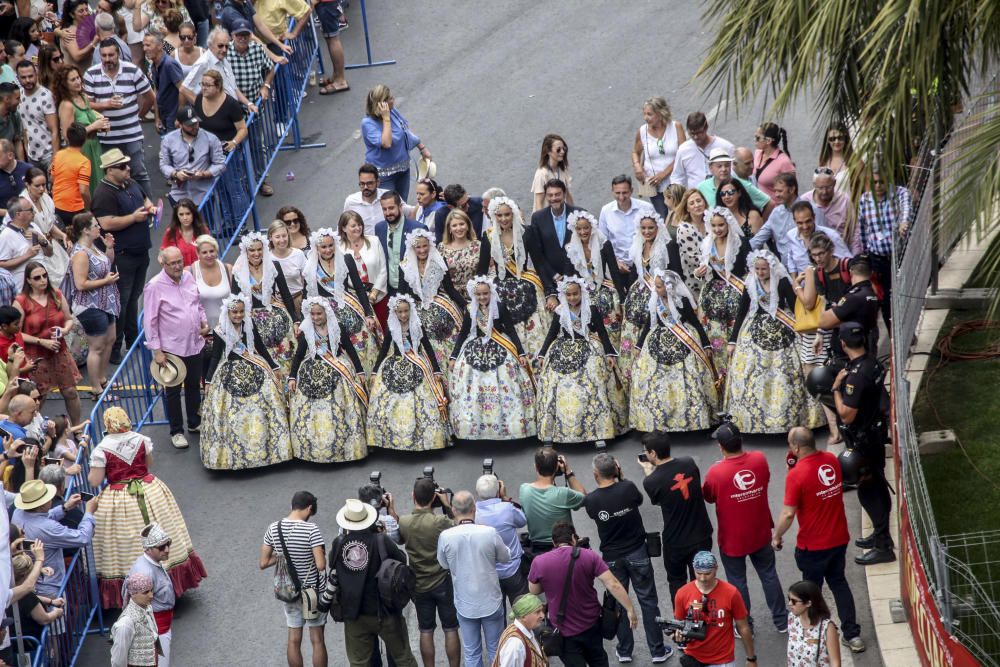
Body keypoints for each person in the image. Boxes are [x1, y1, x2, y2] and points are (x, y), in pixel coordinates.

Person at [88, 406, 205, 606]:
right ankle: (166, 580)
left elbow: (94, 481)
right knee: (163, 530)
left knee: (124, 542)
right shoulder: (141, 439)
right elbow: (148, 463)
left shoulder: (101, 449)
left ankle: (136, 589)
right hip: (150, 490)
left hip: (119, 497)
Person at [772, 427, 865, 653]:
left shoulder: (797, 475)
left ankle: (814, 638)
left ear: (796, 447)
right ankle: (852, 636)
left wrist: (777, 535)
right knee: (839, 583)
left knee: (810, 594)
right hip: (838, 538)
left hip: (812, 545)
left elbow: (788, 514)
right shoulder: (831, 460)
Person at [584, 452, 670, 663]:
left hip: (612, 558)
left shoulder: (592, 500)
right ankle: (657, 650)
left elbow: (592, 512)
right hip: (638, 552)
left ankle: (624, 650)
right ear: (616, 469)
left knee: (619, 602)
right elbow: (639, 500)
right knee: (648, 601)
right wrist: (621, 478)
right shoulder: (628, 487)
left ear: (596, 474)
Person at [702, 422, 787, 633]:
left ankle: (744, 624)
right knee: (769, 575)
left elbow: (709, 497)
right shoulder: (759, 459)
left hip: (732, 539)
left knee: (737, 582)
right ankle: (782, 621)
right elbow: (766, 479)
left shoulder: (716, 471)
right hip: (760, 532)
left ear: (721, 447)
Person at [725, 249, 817, 433]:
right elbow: (742, 311)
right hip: (753, 332)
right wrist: (733, 340)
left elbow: (794, 307)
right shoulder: (750, 282)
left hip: (783, 330)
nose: (760, 273)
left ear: (771, 267)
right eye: (757, 269)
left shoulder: (782, 281)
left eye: (764, 269)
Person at [201, 294, 293, 469]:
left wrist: (273, 367)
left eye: (241, 311)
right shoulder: (220, 331)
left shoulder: (249, 326)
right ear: (228, 313)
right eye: (234, 312)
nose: (238, 315)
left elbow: (261, 349)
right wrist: (208, 380)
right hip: (229, 371)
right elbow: (215, 357)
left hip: (254, 367)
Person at [528, 521, 638, 667]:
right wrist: (630, 609)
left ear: (554, 542)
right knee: (598, 660)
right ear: (574, 538)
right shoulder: (589, 556)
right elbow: (613, 584)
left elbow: (533, 590)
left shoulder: (539, 562)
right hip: (591, 624)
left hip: (563, 629)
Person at [327, 498, 419, 667]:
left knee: (359, 662)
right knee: (403, 658)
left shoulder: (339, 543)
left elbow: (331, 564)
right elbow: (401, 561)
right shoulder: (380, 541)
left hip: (354, 615)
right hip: (384, 611)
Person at [831, 321, 894, 565]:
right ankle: (880, 535)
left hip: (864, 440)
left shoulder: (854, 377)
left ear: (843, 343)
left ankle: (883, 546)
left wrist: (836, 389)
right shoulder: (873, 364)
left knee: (870, 492)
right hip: (874, 434)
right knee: (877, 487)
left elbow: (847, 414)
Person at [536, 277, 622, 448]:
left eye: (575, 294)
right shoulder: (560, 311)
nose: (572, 298)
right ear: (563, 295)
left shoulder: (591, 310)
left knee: (593, 382)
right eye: (568, 295)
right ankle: (556, 431)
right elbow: (552, 334)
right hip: (563, 349)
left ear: (581, 293)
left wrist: (610, 353)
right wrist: (542, 354)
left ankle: (599, 430)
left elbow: (602, 333)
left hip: (589, 348)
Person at [448, 276, 536, 440]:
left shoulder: (500, 307)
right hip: (474, 348)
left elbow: (510, 330)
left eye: (485, 294)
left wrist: (521, 353)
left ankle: (509, 426)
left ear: (491, 292)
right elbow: (463, 334)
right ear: (474, 295)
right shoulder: (470, 309)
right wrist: (454, 356)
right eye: (479, 295)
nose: (482, 297)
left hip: (500, 345)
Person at [630, 269, 718, 432]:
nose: (657, 290)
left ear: (669, 287)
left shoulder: (682, 301)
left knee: (688, 379)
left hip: (683, 342)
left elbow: (696, 323)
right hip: (657, 342)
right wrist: (639, 345)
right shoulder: (655, 302)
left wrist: (705, 344)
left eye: (660, 287)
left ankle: (690, 420)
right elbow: (650, 323)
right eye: (656, 287)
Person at [90, 147, 156, 362]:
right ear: (110, 170)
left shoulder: (130, 183)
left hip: (140, 252)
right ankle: (116, 347)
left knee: (134, 297)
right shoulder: (103, 193)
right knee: (122, 301)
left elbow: (145, 198)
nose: (128, 168)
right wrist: (133, 218)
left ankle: (133, 337)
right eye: (122, 166)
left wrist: (150, 208)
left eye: (127, 164)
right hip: (122, 255)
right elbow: (106, 222)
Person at [287, 296, 368, 463]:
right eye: (313, 314)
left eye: (319, 314)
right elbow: (299, 355)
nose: (316, 318)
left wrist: (359, 370)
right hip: (312, 373)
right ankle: (315, 450)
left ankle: (345, 447)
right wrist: (293, 376)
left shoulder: (337, 328)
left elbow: (351, 350)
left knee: (339, 408)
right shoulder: (307, 330)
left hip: (338, 371)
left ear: (326, 313)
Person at [144, 246, 209, 449]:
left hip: (194, 342)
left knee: (193, 385)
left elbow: (197, 304)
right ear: (163, 264)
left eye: (179, 261)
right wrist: (157, 350)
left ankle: (194, 422)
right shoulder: (154, 286)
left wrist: (204, 323)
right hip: (171, 347)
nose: (178, 266)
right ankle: (176, 431)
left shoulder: (189, 277)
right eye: (172, 263)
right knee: (172, 390)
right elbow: (150, 320)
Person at [437, 490, 511, 667]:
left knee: (472, 653)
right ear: (474, 508)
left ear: (454, 510)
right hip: (491, 600)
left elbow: (443, 564)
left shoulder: (446, 536)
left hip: (465, 602)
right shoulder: (489, 532)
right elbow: (505, 557)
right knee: (495, 649)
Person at [638, 431, 713, 603]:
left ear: (653, 453)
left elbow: (657, 498)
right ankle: (706, 616)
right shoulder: (689, 463)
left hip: (676, 541)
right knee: (703, 579)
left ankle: (682, 620)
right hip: (701, 534)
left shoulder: (651, 481)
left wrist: (649, 472)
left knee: (677, 582)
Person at [367, 295, 449, 452]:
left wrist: (436, 369)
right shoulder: (391, 328)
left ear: (411, 311)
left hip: (418, 363)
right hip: (395, 364)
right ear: (395, 313)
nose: (403, 315)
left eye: (406, 311)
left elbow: (428, 347)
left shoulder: (417, 326)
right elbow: (384, 349)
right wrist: (376, 370)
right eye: (400, 312)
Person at [260, 491, 328, 667]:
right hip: (311, 592)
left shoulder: (273, 528)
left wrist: (282, 555)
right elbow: (321, 565)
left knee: (293, 640)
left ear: (292, 506)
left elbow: (263, 562)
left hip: (289, 591)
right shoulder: (311, 529)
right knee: (317, 639)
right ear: (309, 508)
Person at [396, 477, 459, 667]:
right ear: (434, 498)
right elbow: (457, 525)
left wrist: (392, 511)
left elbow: (399, 539)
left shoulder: (404, 522)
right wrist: (447, 504)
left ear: (413, 496)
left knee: (426, 630)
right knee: (450, 628)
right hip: (441, 579)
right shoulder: (439, 521)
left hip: (419, 583)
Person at [478, 196, 551, 356]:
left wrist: (550, 293)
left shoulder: (527, 232)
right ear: (493, 216)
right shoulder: (488, 236)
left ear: (513, 214)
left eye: (507, 215)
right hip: (499, 288)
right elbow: (482, 270)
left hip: (526, 285)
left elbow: (539, 263)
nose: (503, 219)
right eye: (499, 215)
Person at [83, 39, 155, 197]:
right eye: (104, 55)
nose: (107, 59)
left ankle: (150, 211)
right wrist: (106, 105)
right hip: (106, 138)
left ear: (119, 54)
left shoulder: (132, 71)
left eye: (111, 55)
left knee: (138, 174)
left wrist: (138, 116)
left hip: (131, 135)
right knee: (109, 179)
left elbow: (150, 97)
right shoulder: (91, 74)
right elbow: (87, 105)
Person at [14, 261, 82, 424]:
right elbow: (16, 333)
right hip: (35, 357)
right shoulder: (21, 301)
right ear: (29, 281)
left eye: (44, 276)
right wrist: (41, 341)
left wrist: (65, 330)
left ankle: (77, 428)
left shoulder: (56, 295)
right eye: (37, 278)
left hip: (59, 352)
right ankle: (32, 430)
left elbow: (69, 319)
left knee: (70, 392)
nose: (43, 280)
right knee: (39, 396)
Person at [303, 226, 379, 371]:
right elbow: (308, 296)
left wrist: (368, 314)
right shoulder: (311, 266)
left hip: (350, 311)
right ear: (316, 248)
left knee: (362, 351)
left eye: (330, 245)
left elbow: (359, 288)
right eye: (323, 246)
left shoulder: (346, 259)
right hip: (326, 317)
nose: (327, 249)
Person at [12, 478, 99, 599]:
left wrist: (65, 507)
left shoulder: (18, 513)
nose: (52, 499)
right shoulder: (49, 528)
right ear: (42, 505)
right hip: (48, 587)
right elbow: (82, 537)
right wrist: (89, 512)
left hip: (29, 582)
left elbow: (40, 517)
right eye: (48, 498)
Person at [618, 212, 681, 379]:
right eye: (643, 228)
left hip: (659, 298)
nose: (647, 232)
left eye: (650, 228)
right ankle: (630, 377)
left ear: (658, 227)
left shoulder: (668, 246)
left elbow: (675, 273)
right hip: (637, 297)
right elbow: (635, 273)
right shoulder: (638, 244)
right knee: (631, 336)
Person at [64, 213, 119, 396]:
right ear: (86, 230)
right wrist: (106, 282)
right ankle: (95, 387)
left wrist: (109, 248)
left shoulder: (93, 247)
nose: (99, 228)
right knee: (97, 347)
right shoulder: (81, 253)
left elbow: (105, 265)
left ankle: (103, 378)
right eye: (95, 225)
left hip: (106, 302)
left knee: (110, 339)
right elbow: (80, 284)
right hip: (90, 305)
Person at [398, 228, 466, 375]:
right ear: (412, 248)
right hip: (416, 312)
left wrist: (466, 305)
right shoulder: (404, 266)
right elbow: (402, 294)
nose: (422, 250)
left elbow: (450, 289)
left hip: (440, 308)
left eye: (425, 246)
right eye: (418, 247)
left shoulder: (439, 261)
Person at [670, 551, 757, 667]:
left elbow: (744, 627)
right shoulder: (682, 594)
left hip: (722, 660)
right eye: (698, 573)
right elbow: (679, 624)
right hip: (694, 659)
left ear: (716, 569)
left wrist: (751, 658)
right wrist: (677, 635)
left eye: (707, 574)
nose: (702, 578)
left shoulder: (731, 593)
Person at [230, 231, 299, 372]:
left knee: (285, 360)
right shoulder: (238, 271)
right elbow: (234, 301)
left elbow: (286, 294)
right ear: (245, 251)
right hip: (252, 322)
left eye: (259, 249)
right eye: (252, 250)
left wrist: (296, 320)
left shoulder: (273, 266)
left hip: (275, 318)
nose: (256, 253)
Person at [560, 210, 628, 351]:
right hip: (583, 291)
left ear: (592, 228)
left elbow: (614, 272)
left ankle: (613, 351)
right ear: (574, 229)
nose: (583, 232)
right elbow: (568, 275)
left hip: (603, 288)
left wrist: (623, 299)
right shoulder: (571, 248)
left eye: (586, 228)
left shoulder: (604, 244)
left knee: (609, 310)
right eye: (579, 228)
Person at [695, 207, 750, 379]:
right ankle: (719, 377)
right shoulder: (707, 243)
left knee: (736, 336)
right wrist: (699, 273)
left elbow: (750, 270)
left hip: (736, 295)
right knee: (715, 338)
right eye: (714, 226)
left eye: (721, 225)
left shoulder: (741, 242)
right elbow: (704, 269)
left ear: (728, 224)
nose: (717, 229)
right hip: (712, 297)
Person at [857, 168, 911, 327]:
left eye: (882, 182)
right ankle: (893, 335)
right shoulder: (865, 200)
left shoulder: (900, 193)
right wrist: (866, 255)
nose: (879, 186)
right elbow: (862, 229)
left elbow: (906, 210)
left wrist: (903, 222)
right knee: (885, 299)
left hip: (899, 255)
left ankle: (908, 328)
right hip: (878, 259)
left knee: (904, 293)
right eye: (874, 183)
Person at [361, 85, 430, 200]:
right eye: (389, 98)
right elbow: (386, 143)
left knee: (402, 203)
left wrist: (422, 148)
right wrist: (386, 118)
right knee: (390, 206)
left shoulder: (393, 112)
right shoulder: (368, 123)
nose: (392, 99)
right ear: (381, 104)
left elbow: (405, 132)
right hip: (384, 176)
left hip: (403, 169)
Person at [124, 524, 178, 667]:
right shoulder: (144, 573)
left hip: (161, 626)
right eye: (161, 547)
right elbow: (137, 607)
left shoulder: (152, 562)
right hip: (155, 630)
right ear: (148, 549)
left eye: (168, 544)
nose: (167, 549)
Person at [53, 66, 110, 197]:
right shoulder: (67, 105)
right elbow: (68, 136)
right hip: (81, 150)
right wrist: (93, 126)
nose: (78, 81)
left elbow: (92, 118)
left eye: (78, 77)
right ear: (64, 84)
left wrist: (102, 125)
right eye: (73, 80)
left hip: (95, 146)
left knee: (100, 185)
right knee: (87, 188)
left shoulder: (84, 97)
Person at [474, 473, 529, 605]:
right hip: (513, 568)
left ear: (477, 492)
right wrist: (505, 497)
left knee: (497, 614)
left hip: (490, 572)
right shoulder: (507, 508)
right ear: (499, 489)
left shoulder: (474, 513)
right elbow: (522, 521)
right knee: (522, 609)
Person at [519, 448, 586, 554]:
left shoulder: (524, 489)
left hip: (537, 549)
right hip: (564, 547)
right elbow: (584, 497)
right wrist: (568, 472)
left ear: (536, 466)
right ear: (556, 467)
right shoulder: (564, 493)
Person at [525, 179, 582, 300]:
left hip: (578, 277)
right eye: (550, 195)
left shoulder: (579, 214)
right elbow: (538, 253)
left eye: (557, 194)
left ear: (564, 194)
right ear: (546, 196)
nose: (554, 198)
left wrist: (570, 276)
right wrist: (553, 275)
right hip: (552, 279)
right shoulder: (538, 218)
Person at [159, 104, 226, 205]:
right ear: (180, 124)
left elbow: (220, 164)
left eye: (196, 123)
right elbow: (164, 164)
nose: (194, 127)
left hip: (203, 196)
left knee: (204, 221)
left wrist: (204, 174)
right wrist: (176, 174)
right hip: (179, 196)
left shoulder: (211, 139)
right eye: (190, 125)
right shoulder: (169, 140)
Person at [179, 28, 259, 111]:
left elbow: (234, 88)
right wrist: (205, 109)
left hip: (232, 112)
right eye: (220, 46)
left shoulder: (224, 60)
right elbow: (184, 89)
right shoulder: (204, 63)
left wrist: (249, 104)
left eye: (227, 46)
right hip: (217, 118)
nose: (224, 50)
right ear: (210, 45)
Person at [631, 97, 686, 217]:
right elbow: (635, 152)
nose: (646, 118)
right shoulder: (642, 131)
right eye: (644, 114)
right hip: (654, 185)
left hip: (675, 183)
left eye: (650, 114)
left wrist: (664, 173)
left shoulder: (676, 127)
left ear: (661, 113)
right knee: (663, 216)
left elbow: (682, 154)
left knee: (679, 215)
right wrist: (637, 166)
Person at [598, 174, 655, 276]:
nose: (621, 197)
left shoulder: (647, 208)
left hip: (645, 263)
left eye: (625, 193)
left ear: (631, 191)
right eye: (617, 193)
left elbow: (656, 235)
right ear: (612, 191)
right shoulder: (606, 211)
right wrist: (616, 262)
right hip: (620, 265)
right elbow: (603, 241)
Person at [22, 167, 69, 287]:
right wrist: (40, 239)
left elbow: (49, 225)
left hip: (51, 245)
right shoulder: (23, 203)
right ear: (28, 184)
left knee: (66, 277)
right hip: (36, 251)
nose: (42, 189)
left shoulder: (46, 198)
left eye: (44, 185)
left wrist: (62, 235)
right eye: (37, 186)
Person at [339, 210, 387, 326]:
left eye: (360, 224)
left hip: (379, 297)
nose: (358, 228)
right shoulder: (338, 249)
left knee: (386, 331)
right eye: (353, 225)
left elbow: (383, 270)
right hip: (357, 301)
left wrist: (374, 293)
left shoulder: (374, 240)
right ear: (344, 228)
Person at [374, 190, 426, 296]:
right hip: (390, 290)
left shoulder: (417, 228)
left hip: (413, 290)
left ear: (400, 206)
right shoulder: (379, 228)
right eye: (384, 209)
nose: (388, 213)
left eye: (391, 208)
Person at [698, 148, 773, 218]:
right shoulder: (702, 187)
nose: (724, 169)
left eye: (727, 165)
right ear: (711, 168)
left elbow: (769, 203)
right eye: (719, 166)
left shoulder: (742, 184)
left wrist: (760, 224)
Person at [669, 111, 735, 189]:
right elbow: (677, 176)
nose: (696, 137)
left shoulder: (726, 146)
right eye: (692, 134)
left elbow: (734, 172)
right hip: (696, 197)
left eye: (699, 133)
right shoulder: (683, 150)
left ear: (706, 128)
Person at [802, 168, 861, 254]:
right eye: (820, 188)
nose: (824, 192)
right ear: (814, 185)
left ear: (834, 183)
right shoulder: (805, 201)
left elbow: (855, 230)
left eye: (828, 187)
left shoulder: (844, 200)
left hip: (842, 254)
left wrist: (856, 257)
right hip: (814, 256)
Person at [783, 200, 851, 275]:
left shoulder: (831, 235)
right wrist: (795, 282)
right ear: (794, 221)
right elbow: (791, 261)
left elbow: (847, 261)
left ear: (814, 218)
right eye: (800, 223)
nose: (805, 227)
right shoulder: (790, 236)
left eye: (808, 221)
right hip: (803, 284)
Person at [787, 580, 842, 667]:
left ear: (808, 603)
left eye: (794, 601)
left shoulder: (827, 628)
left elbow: (835, 663)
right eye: (789, 599)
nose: (789, 604)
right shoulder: (792, 618)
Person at [16, 61, 58, 174]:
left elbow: (54, 130)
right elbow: (23, 128)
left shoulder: (45, 96)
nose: (28, 80)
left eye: (30, 76)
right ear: (18, 78)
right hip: (31, 156)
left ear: (36, 74)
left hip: (48, 154)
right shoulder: (19, 96)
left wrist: (55, 159)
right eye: (23, 77)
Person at [109, 572, 159, 667]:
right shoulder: (126, 623)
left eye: (151, 590)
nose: (151, 595)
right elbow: (118, 660)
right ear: (133, 594)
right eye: (145, 592)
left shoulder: (147, 607)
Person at [0, 195, 49, 289]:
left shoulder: (35, 227)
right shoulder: (6, 235)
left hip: (43, 285)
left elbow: (50, 253)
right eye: (30, 210)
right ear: (18, 214)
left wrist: (43, 241)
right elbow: (1, 265)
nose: (34, 212)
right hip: (22, 290)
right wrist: (27, 255)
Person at [193, 69, 247, 154]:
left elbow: (243, 129)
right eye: (202, 84)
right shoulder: (199, 99)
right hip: (203, 150)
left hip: (224, 152)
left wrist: (234, 142)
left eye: (208, 85)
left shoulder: (231, 104)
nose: (204, 88)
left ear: (218, 87)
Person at [50, 123, 93, 227]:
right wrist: (88, 208)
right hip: (76, 209)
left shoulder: (58, 155)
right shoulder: (84, 162)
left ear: (68, 138)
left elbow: (52, 178)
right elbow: (83, 190)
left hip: (57, 204)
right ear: (85, 139)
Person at [144, 31, 184, 133]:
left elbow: (183, 91)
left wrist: (180, 117)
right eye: (144, 45)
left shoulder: (169, 64)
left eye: (148, 45)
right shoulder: (153, 66)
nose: (144, 49)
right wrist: (157, 117)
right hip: (164, 117)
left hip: (174, 119)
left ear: (160, 46)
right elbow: (156, 91)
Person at [188, 233, 231, 329]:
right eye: (204, 252)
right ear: (198, 253)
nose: (209, 255)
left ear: (216, 251)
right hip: (203, 332)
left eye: (212, 251)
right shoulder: (190, 272)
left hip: (228, 328)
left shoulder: (227, 269)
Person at [493, 594, 547, 667]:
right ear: (523, 616)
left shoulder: (526, 629)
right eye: (537, 612)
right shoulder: (515, 645)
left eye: (542, 611)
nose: (543, 616)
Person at [438, 209, 482, 296]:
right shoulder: (442, 247)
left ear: (468, 226)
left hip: (475, 294)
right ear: (449, 229)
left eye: (462, 224)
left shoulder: (478, 245)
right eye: (454, 225)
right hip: (449, 296)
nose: (459, 228)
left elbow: (489, 270)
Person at [673, 188, 709, 293]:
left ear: (704, 202)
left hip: (716, 270)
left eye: (699, 201)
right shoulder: (684, 229)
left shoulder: (710, 221)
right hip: (696, 279)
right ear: (687, 209)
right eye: (692, 203)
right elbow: (694, 260)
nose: (697, 205)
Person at [312, 0, 349, 95]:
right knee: (330, 38)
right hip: (326, 3)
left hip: (326, 3)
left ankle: (340, 80)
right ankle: (336, 76)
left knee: (333, 39)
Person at [752, 122, 795, 202]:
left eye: (758, 138)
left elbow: (792, 190)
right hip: (757, 205)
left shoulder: (784, 162)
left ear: (768, 141)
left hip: (774, 209)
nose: (754, 140)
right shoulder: (757, 153)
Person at [530, 134, 574, 212]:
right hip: (547, 220)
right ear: (548, 151)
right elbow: (538, 202)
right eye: (558, 149)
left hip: (561, 217)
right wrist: (542, 222)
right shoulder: (542, 173)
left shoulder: (563, 170)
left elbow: (567, 195)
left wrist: (574, 214)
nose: (562, 152)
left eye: (564, 148)